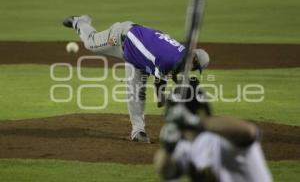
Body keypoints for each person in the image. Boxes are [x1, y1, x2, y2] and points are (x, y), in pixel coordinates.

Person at [63, 15, 210, 143]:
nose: (193, 70)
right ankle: (80, 21)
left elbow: (170, 70)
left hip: (137, 56)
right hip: (122, 37)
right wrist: (161, 98)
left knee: (136, 91)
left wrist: (178, 83)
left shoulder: (182, 54)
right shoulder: (171, 59)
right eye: (195, 67)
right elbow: (160, 80)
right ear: (194, 59)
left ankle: (138, 132)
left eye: (196, 70)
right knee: (91, 43)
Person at [154, 103, 273, 182]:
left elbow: (250, 132)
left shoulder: (222, 137)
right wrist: (167, 148)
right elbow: (167, 172)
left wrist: (196, 122)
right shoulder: (184, 146)